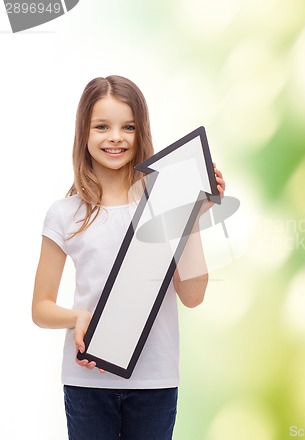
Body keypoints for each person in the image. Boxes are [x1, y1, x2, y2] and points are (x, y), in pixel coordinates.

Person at [32, 75, 225, 440]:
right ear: (83, 134)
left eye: (128, 127)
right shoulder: (64, 213)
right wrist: (80, 317)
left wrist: (193, 214)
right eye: (102, 126)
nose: (115, 137)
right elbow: (40, 308)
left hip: (155, 381)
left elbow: (193, 296)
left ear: (141, 133)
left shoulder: (165, 202)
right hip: (87, 382)